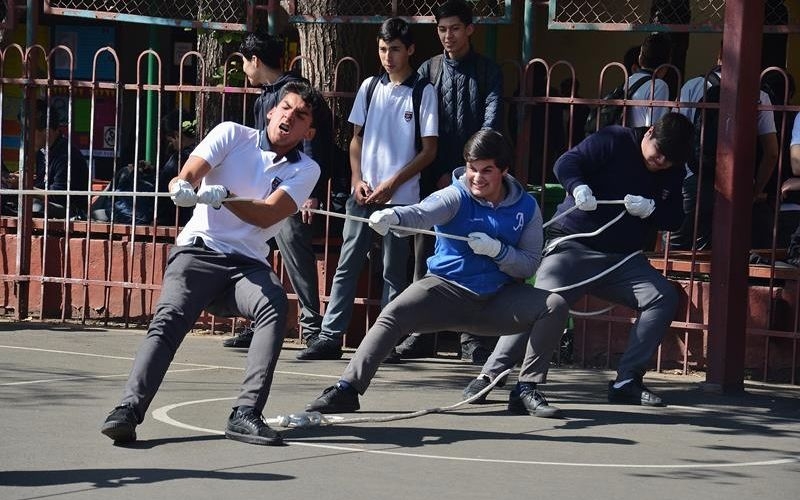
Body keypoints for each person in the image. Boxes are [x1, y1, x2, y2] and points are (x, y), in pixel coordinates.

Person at [100, 81, 325, 446]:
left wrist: (228, 198)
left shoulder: (306, 169)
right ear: (271, 111)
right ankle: (127, 409)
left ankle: (245, 413)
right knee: (169, 316)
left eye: (300, 116)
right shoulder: (232, 134)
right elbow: (188, 173)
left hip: (246, 265)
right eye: (286, 108)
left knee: (274, 303)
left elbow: (268, 215)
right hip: (199, 252)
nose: (289, 117)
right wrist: (181, 186)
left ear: (308, 131)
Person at [306, 129, 570, 417]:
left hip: (497, 299)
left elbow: (530, 264)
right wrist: (393, 217)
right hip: (446, 290)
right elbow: (421, 214)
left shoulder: (526, 207)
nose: (477, 178)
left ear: (504, 171)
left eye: (487, 170)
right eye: (472, 168)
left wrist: (498, 251)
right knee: (393, 313)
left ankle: (527, 389)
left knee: (553, 305)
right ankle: (347, 389)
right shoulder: (455, 195)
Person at [462, 112, 694, 408]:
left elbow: (675, 218)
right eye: (659, 152)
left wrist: (652, 210)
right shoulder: (614, 139)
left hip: (623, 260)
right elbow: (566, 163)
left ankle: (627, 381)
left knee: (662, 296)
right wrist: (578, 186)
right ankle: (490, 375)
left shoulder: (673, 170)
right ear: (649, 133)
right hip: (573, 247)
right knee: (540, 304)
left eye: (669, 160)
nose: (661, 162)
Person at [295, 18, 438, 361]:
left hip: (401, 198)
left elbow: (429, 149)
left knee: (393, 268)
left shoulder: (423, 91)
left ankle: (384, 341)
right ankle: (330, 336)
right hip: (364, 193)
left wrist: (393, 183)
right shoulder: (370, 86)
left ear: (411, 50)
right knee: (348, 262)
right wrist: (357, 178)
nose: (388, 56)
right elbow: (356, 140)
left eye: (395, 49)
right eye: (383, 49)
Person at [395, 0, 504, 362]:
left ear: (470, 29)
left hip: (475, 178)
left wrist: (462, 173)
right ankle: (423, 335)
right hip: (433, 177)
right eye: (442, 29)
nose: (448, 36)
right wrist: (437, 172)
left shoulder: (489, 71)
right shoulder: (428, 69)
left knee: (474, 252)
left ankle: (473, 340)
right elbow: (421, 126)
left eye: (454, 28)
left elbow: (490, 125)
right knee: (426, 256)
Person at [223, 31, 333, 349]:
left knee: (295, 253)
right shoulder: (264, 99)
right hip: (264, 187)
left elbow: (311, 140)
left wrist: (309, 191)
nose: (245, 71)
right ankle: (260, 320)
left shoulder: (294, 93)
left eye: (244, 63)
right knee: (254, 252)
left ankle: (313, 326)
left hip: (291, 189)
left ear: (255, 60)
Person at [669, 49, 779, 250]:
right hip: (737, 180)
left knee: (679, 246)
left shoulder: (693, 86)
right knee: (727, 249)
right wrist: (755, 190)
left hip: (694, 176)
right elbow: (771, 152)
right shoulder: (759, 95)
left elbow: (676, 132)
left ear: (719, 57)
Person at [29, 100, 90, 219]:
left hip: (70, 211)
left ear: (47, 132)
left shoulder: (66, 155)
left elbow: (58, 195)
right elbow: (43, 184)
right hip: (52, 205)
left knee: (35, 206)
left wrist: (25, 188)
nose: (26, 136)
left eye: (30, 132)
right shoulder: (42, 152)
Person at [624, 33, 672, 128]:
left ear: (640, 58)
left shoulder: (629, 80)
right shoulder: (658, 85)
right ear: (667, 63)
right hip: (640, 140)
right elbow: (655, 127)